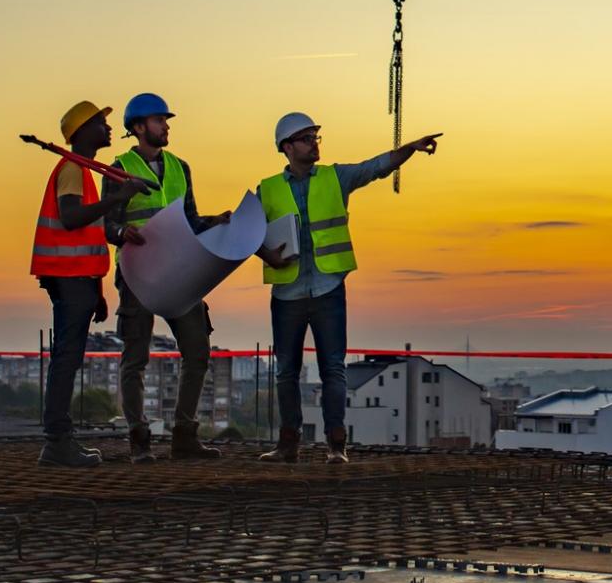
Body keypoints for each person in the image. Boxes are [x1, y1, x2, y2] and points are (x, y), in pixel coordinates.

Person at [255, 111, 440, 463]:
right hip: (288, 293)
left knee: (333, 370)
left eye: (316, 138)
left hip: (327, 289)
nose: (315, 144)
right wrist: (267, 254)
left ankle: (336, 445)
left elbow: (376, 166)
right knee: (285, 372)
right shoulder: (268, 189)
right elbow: (246, 233)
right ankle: (288, 444)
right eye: (307, 138)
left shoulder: (335, 177)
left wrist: (410, 149)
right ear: (287, 147)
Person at [107, 92, 231, 463]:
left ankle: (184, 436)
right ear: (140, 127)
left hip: (179, 272)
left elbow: (188, 218)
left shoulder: (180, 167)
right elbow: (106, 222)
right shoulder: (119, 168)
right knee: (136, 357)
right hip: (138, 275)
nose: (167, 126)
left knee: (197, 350)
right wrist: (120, 232)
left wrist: (214, 221)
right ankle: (139, 439)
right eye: (161, 121)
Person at [30, 100, 142, 468]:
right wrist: (119, 198)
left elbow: (85, 236)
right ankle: (57, 441)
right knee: (66, 358)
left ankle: (59, 440)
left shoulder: (82, 172)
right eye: (100, 123)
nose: (109, 129)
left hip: (77, 280)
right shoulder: (73, 171)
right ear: (81, 132)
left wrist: (95, 290)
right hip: (68, 279)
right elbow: (72, 218)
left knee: (69, 356)